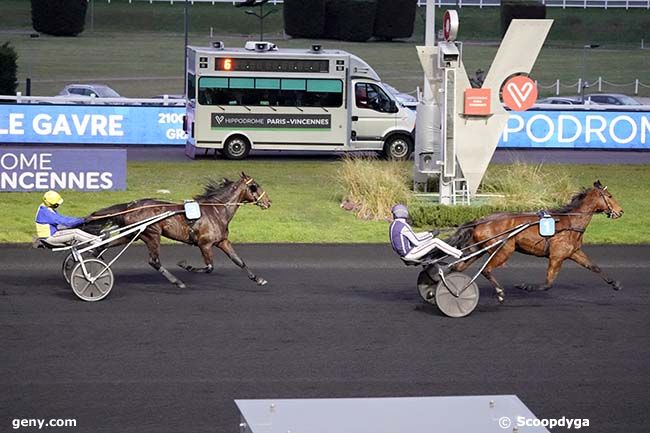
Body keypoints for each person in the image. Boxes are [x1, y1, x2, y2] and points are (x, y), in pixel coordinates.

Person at [389, 204, 463, 262]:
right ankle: (459, 254)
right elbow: (417, 242)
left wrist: (428, 233)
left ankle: (453, 250)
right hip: (410, 253)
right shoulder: (403, 226)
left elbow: (413, 236)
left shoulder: (394, 225)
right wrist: (432, 235)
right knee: (435, 241)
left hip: (404, 253)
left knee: (433, 240)